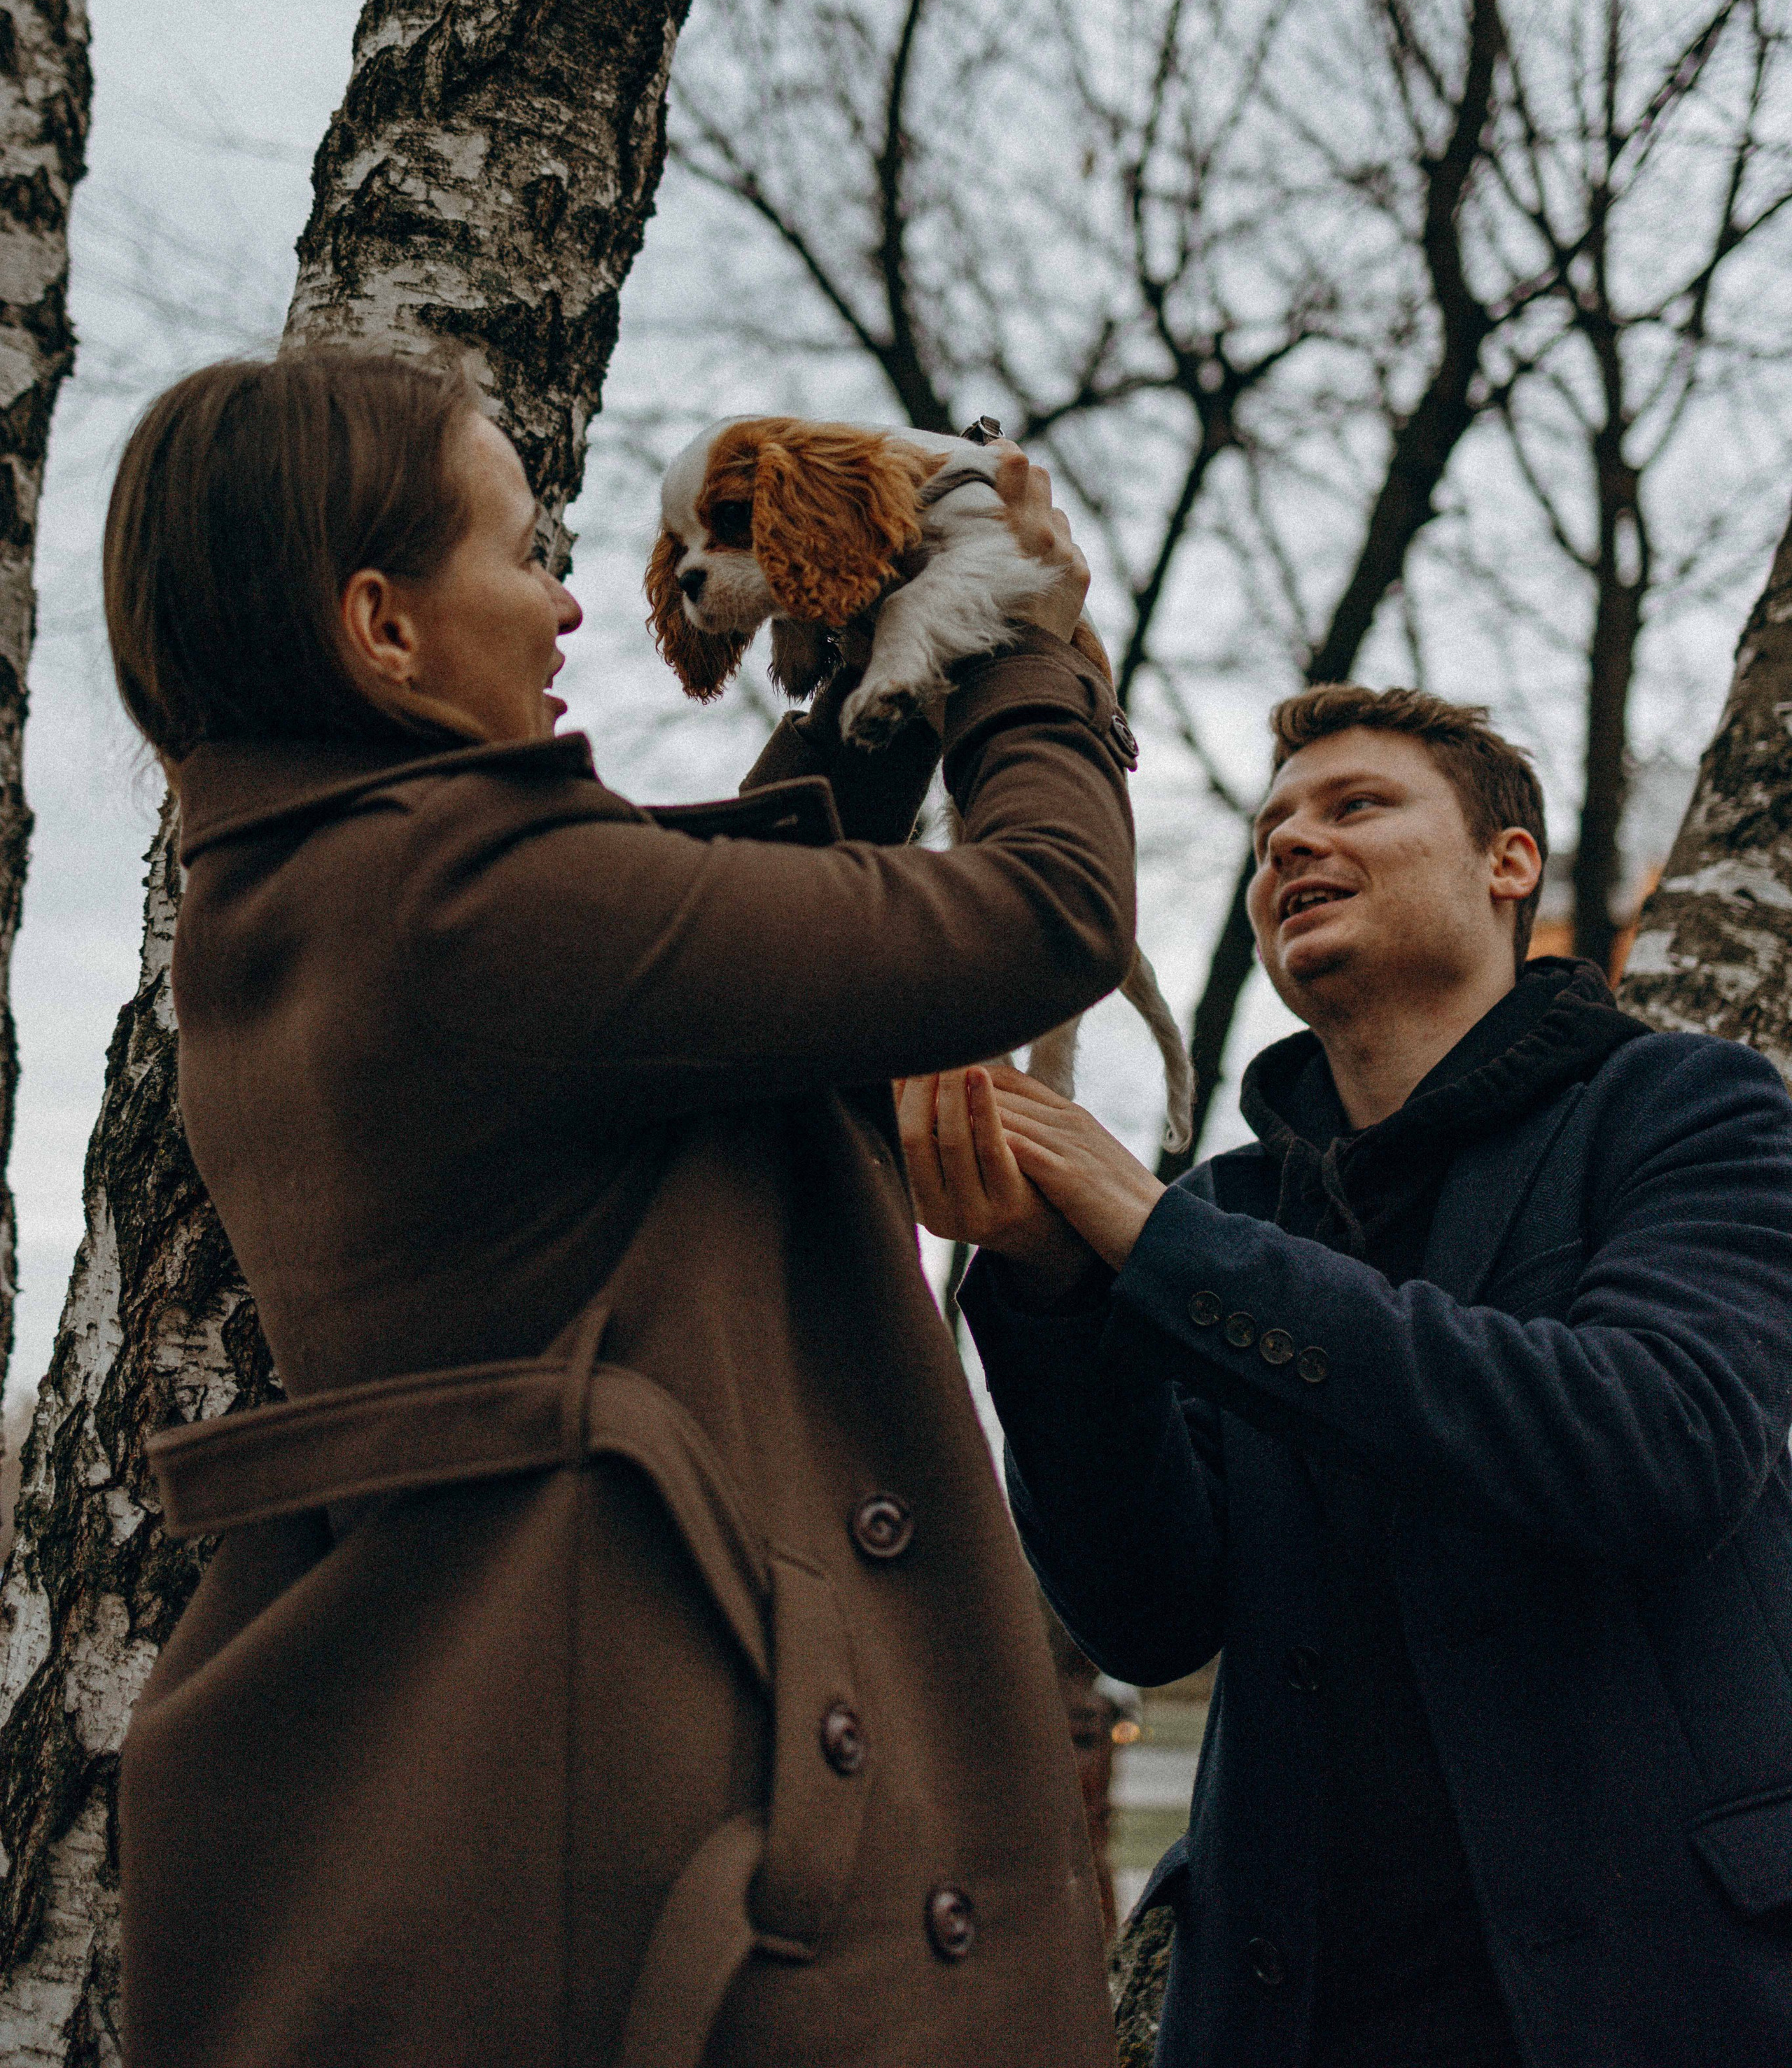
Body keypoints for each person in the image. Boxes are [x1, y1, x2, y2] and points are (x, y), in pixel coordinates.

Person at [108, 349, 1135, 2068]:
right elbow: (1042, 910)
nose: (571, 606)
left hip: (590, 1788)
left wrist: (875, 692)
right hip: (742, 1875)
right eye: (522, 555)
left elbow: (713, 943)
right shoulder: (477, 896)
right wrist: (1020, 625)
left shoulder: (311, 897)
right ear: (383, 627)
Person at [900, 684, 1792, 2068]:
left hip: (1650, 1994)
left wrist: (1154, 1239)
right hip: (1290, 2014)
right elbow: (1149, 1608)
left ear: (1507, 864)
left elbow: (1654, 1443)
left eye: (1353, 805)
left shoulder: (1684, 1107)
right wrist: (1056, 1285)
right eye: (1266, 833)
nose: (1288, 847)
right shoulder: (1231, 1206)